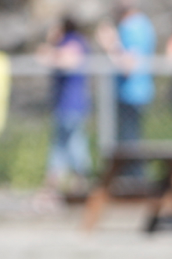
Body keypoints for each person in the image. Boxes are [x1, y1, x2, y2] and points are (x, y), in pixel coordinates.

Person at [37, 16, 91, 198]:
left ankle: (77, 182)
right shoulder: (61, 45)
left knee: (71, 145)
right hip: (61, 105)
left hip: (73, 105)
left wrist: (51, 53)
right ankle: (61, 184)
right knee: (64, 145)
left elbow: (70, 60)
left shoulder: (73, 41)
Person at [97, 0, 156, 152]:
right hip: (124, 94)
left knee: (129, 146)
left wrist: (110, 45)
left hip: (132, 95)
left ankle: (133, 175)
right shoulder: (127, 25)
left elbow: (128, 66)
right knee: (125, 143)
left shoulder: (134, 26)